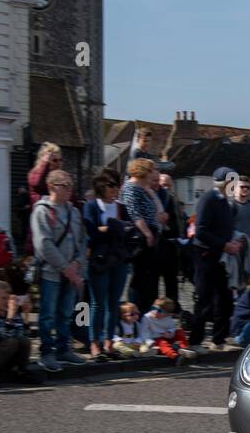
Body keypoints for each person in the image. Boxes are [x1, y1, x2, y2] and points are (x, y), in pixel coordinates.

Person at [30, 169, 88, 372]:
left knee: (66, 313)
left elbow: (82, 240)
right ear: (52, 186)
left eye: (71, 185)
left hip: (71, 271)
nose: (70, 190)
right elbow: (44, 244)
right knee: (47, 315)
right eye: (66, 186)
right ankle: (46, 352)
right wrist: (66, 268)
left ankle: (64, 348)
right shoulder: (42, 211)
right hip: (50, 272)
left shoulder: (73, 211)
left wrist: (77, 264)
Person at [189, 167, 241, 349]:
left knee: (225, 298)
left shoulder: (226, 202)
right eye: (232, 182)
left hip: (221, 256)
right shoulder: (208, 199)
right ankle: (195, 340)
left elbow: (224, 229)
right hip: (205, 255)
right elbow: (201, 231)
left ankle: (219, 339)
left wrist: (234, 242)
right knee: (204, 298)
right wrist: (224, 245)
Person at [83, 172, 130, 361]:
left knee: (114, 302)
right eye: (111, 185)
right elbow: (91, 232)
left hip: (118, 259)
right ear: (101, 187)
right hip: (99, 260)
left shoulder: (121, 208)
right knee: (98, 302)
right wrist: (112, 229)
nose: (115, 189)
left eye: (117, 185)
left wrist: (108, 229)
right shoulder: (91, 206)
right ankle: (94, 342)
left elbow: (128, 230)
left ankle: (109, 341)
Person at [0, 280, 38, 387]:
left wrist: (26, 315)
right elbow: (2, 336)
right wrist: (9, 318)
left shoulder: (13, 314)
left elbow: (24, 335)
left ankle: (21, 372)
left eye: (8, 298)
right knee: (11, 342)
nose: (7, 302)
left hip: (7, 356)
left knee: (23, 341)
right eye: (3, 298)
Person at [120, 159, 161, 314]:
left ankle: (146, 309)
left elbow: (157, 208)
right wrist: (147, 233)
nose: (154, 174)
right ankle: (135, 309)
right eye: (151, 170)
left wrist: (149, 190)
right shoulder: (130, 188)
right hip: (140, 235)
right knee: (140, 276)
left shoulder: (143, 188)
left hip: (150, 232)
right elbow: (134, 213)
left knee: (149, 276)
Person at [152, 170, 184, 307]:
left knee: (171, 279)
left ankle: (172, 306)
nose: (166, 188)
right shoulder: (154, 197)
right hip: (157, 244)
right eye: (163, 184)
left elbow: (179, 221)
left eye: (168, 185)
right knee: (153, 279)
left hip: (172, 244)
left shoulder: (173, 200)